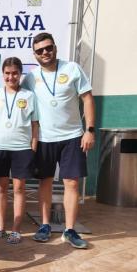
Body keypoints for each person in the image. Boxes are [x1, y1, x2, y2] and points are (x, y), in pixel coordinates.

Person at [22, 32, 95, 248]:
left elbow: (87, 99)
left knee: (71, 183)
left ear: (55, 48)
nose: (45, 52)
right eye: (39, 50)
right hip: (44, 138)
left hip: (72, 136)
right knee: (44, 181)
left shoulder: (72, 69)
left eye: (48, 48)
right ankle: (44, 225)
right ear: (34, 54)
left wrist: (89, 130)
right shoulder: (30, 78)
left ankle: (69, 230)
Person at [0, 57, 39, 244]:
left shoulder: (29, 96)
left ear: (20, 74)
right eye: (7, 73)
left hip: (22, 149)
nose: (11, 77)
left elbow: (35, 124)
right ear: (3, 74)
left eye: (15, 73)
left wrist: (33, 147)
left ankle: (16, 230)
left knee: (19, 189)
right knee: (1, 189)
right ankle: (1, 227)